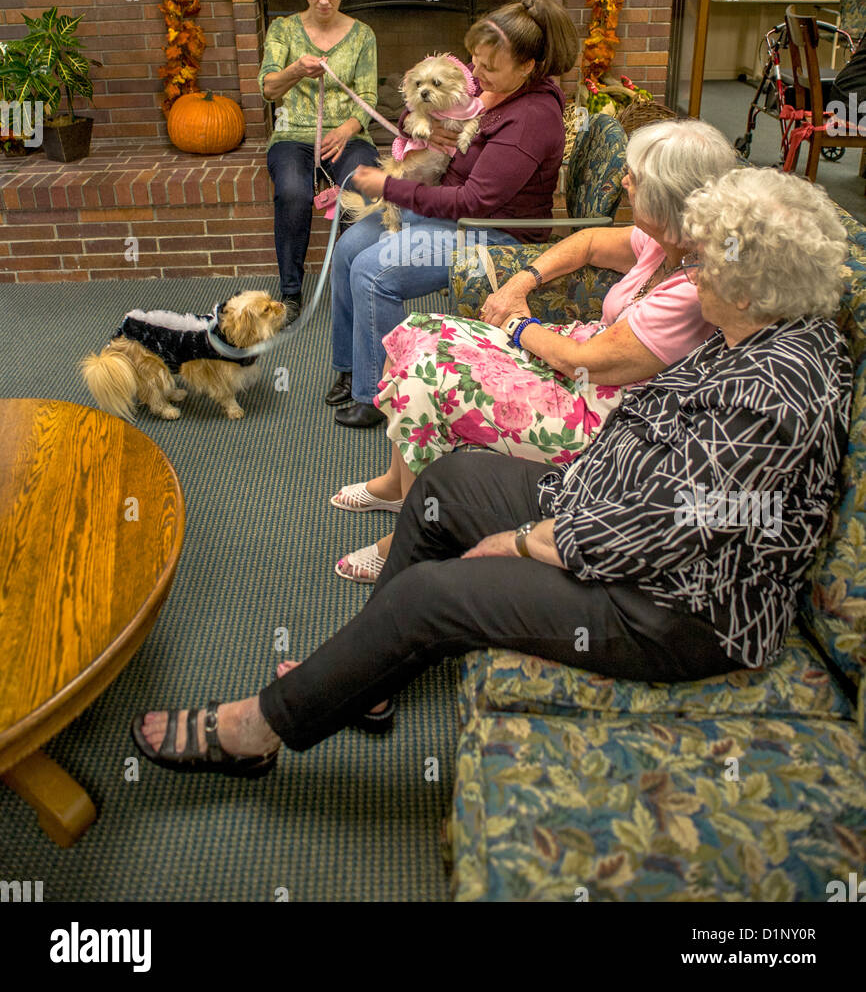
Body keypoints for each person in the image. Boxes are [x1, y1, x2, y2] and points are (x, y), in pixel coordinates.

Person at [131, 168, 853, 774]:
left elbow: (671, 532)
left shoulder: (774, 392)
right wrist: (559, 501)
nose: (691, 277)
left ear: (753, 288)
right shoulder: (756, 329)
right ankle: (366, 683)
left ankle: (258, 731)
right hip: (609, 510)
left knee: (433, 596)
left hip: (676, 608)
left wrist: (526, 539)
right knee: (449, 480)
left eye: (705, 267)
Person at [332, 118, 737, 582]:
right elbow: (586, 243)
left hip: (606, 416)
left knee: (425, 374)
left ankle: (410, 538)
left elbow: (586, 365)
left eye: (635, 178)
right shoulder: (667, 241)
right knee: (413, 332)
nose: (625, 182)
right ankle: (397, 489)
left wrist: (517, 324)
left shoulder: (692, 290)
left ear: (668, 199)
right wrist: (524, 280)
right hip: (578, 364)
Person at [326, 0, 576, 428]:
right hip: (449, 210)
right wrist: (421, 125)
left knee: (372, 270)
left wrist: (393, 188)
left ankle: (380, 393)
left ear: (528, 66)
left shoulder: (532, 118)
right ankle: (353, 366)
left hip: (492, 231)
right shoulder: (496, 83)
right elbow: (414, 107)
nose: (474, 74)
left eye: (486, 67)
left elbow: (474, 202)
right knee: (349, 247)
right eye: (474, 61)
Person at [258, 0, 380, 324]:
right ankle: (291, 294)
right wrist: (296, 69)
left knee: (361, 185)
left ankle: (358, 282)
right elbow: (268, 88)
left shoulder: (362, 35)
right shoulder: (283, 30)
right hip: (293, 134)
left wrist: (346, 129)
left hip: (347, 133)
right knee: (292, 192)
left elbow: (370, 98)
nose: (324, 1)